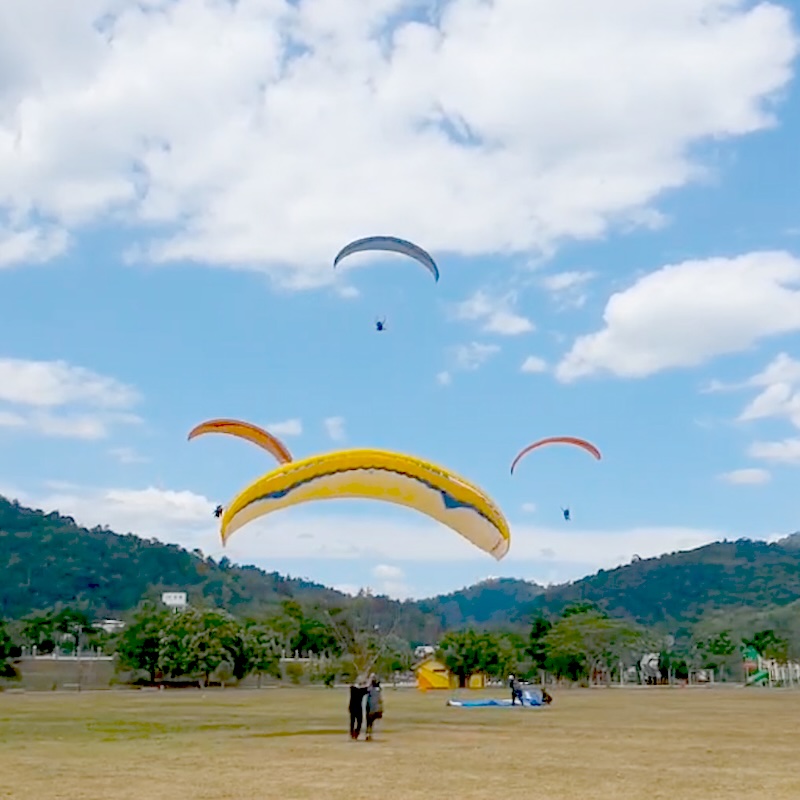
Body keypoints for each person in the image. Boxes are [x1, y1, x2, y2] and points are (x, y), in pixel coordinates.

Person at [365, 674, 383, 740]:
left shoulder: (371, 689)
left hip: (371, 708)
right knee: (370, 722)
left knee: (369, 722)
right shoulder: (377, 689)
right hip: (373, 708)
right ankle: (369, 734)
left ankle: (368, 734)